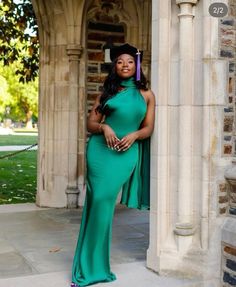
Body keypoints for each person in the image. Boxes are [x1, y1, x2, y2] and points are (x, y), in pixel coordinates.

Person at [71, 43, 155, 287]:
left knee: (104, 205)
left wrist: (135, 135)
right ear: (115, 66)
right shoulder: (106, 92)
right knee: (99, 204)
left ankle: (93, 266)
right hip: (100, 152)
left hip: (126, 153)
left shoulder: (147, 95)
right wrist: (105, 126)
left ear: (137, 65)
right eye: (120, 62)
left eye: (129, 61)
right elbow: (91, 124)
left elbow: (148, 127)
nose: (125, 65)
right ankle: (90, 269)